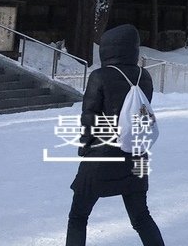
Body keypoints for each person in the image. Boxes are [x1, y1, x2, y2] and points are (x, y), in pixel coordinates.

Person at [66, 24, 165, 246]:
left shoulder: (100, 76)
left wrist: (84, 146)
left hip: (102, 155)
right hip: (137, 156)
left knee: (78, 217)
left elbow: (89, 117)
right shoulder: (144, 76)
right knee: (141, 217)